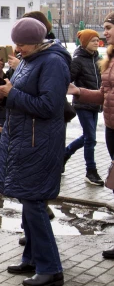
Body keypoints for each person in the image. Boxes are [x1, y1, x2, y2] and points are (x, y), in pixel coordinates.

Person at [0, 17, 69, 286]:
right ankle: (32, 259)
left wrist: (11, 94)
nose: (18, 48)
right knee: (28, 203)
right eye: (16, 43)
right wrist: (2, 90)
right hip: (23, 140)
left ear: (37, 42)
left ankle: (51, 269)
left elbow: (49, 106)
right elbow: (19, 94)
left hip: (40, 143)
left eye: (22, 44)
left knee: (35, 204)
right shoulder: (29, 60)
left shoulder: (54, 63)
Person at [67, 12, 114, 260]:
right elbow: (104, 93)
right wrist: (78, 90)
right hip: (104, 119)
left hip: (107, 118)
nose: (103, 35)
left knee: (89, 139)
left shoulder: (104, 57)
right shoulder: (108, 59)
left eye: (107, 29)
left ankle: (88, 168)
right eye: (99, 33)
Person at [63, 29, 104, 185]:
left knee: (89, 136)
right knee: (91, 138)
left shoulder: (98, 59)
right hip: (82, 104)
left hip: (95, 103)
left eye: (97, 40)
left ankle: (65, 154)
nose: (96, 42)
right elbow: (68, 79)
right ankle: (90, 171)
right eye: (93, 40)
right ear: (85, 42)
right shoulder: (78, 60)